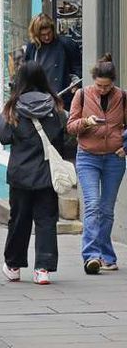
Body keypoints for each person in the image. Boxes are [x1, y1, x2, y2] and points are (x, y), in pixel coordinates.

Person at [0, 62, 65, 285]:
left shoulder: (13, 108)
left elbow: (4, 137)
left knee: (19, 220)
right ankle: (43, 269)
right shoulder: (54, 107)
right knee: (46, 220)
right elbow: (61, 135)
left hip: (21, 175)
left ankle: (14, 266)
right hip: (46, 173)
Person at [66, 54, 127, 275]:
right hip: (88, 157)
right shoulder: (82, 95)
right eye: (99, 85)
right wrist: (85, 122)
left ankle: (107, 255)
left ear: (113, 82)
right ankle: (91, 256)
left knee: (107, 210)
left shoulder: (122, 96)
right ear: (93, 80)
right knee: (92, 205)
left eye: (107, 86)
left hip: (114, 159)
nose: (103, 90)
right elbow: (70, 126)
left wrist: (125, 147)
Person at [24, 13, 82, 109]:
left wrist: (76, 84)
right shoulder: (32, 47)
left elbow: (78, 68)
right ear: (36, 34)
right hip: (39, 100)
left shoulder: (67, 44)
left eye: (49, 33)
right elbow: (27, 72)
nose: (47, 37)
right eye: (43, 35)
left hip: (63, 99)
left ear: (53, 30)